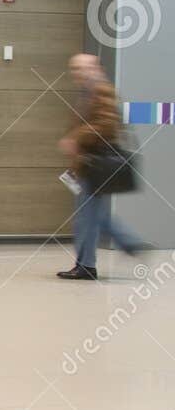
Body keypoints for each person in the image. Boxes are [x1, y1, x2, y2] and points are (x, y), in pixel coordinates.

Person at [58, 53, 147, 280]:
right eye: (74, 69)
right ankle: (128, 243)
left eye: (81, 69)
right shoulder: (89, 90)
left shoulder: (100, 90)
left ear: (94, 67)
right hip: (89, 164)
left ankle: (87, 266)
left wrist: (76, 138)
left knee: (87, 216)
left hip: (96, 165)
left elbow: (107, 124)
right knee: (97, 215)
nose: (77, 74)